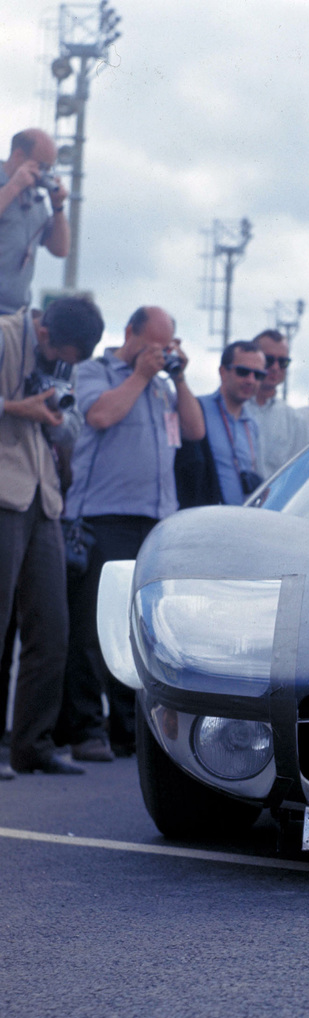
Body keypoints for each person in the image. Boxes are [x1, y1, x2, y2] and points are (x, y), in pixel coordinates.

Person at [57, 306, 204, 761]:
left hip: (153, 520)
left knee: (136, 631)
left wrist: (177, 378)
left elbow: (195, 430)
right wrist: (140, 374)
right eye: (153, 344)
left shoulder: (161, 386)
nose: (159, 354)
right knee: (90, 629)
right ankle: (84, 729)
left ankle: (127, 729)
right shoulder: (94, 371)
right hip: (102, 516)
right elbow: (101, 415)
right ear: (131, 334)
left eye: (167, 346)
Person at [0, 295, 104, 777]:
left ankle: (32, 745)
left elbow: (74, 426)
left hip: (44, 499)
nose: (68, 367)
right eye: (64, 356)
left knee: (53, 630)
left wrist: (60, 421)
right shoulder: (4, 336)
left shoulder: (68, 356)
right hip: (3, 493)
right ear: (43, 334)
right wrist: (16, 406)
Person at [175, 341, 265, 507]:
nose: (250, 380)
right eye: (243, 372)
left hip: (242, 519)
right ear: (223, 372)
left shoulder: (252, 424)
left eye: (258, 375)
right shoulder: (198, 409)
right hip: (205, 519)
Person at [0, 129, 69, 314]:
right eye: (42, 166)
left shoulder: (34, 200)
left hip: (15, 313)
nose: (44, 174)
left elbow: (60, 249)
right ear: (18, 156)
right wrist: (14, 186)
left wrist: (58, 207)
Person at [247, 328, 307, 477]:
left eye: (283, 362)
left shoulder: (294, 421)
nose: (275, 367)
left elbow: (297, 474)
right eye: (268, 360)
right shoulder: (232, 408)